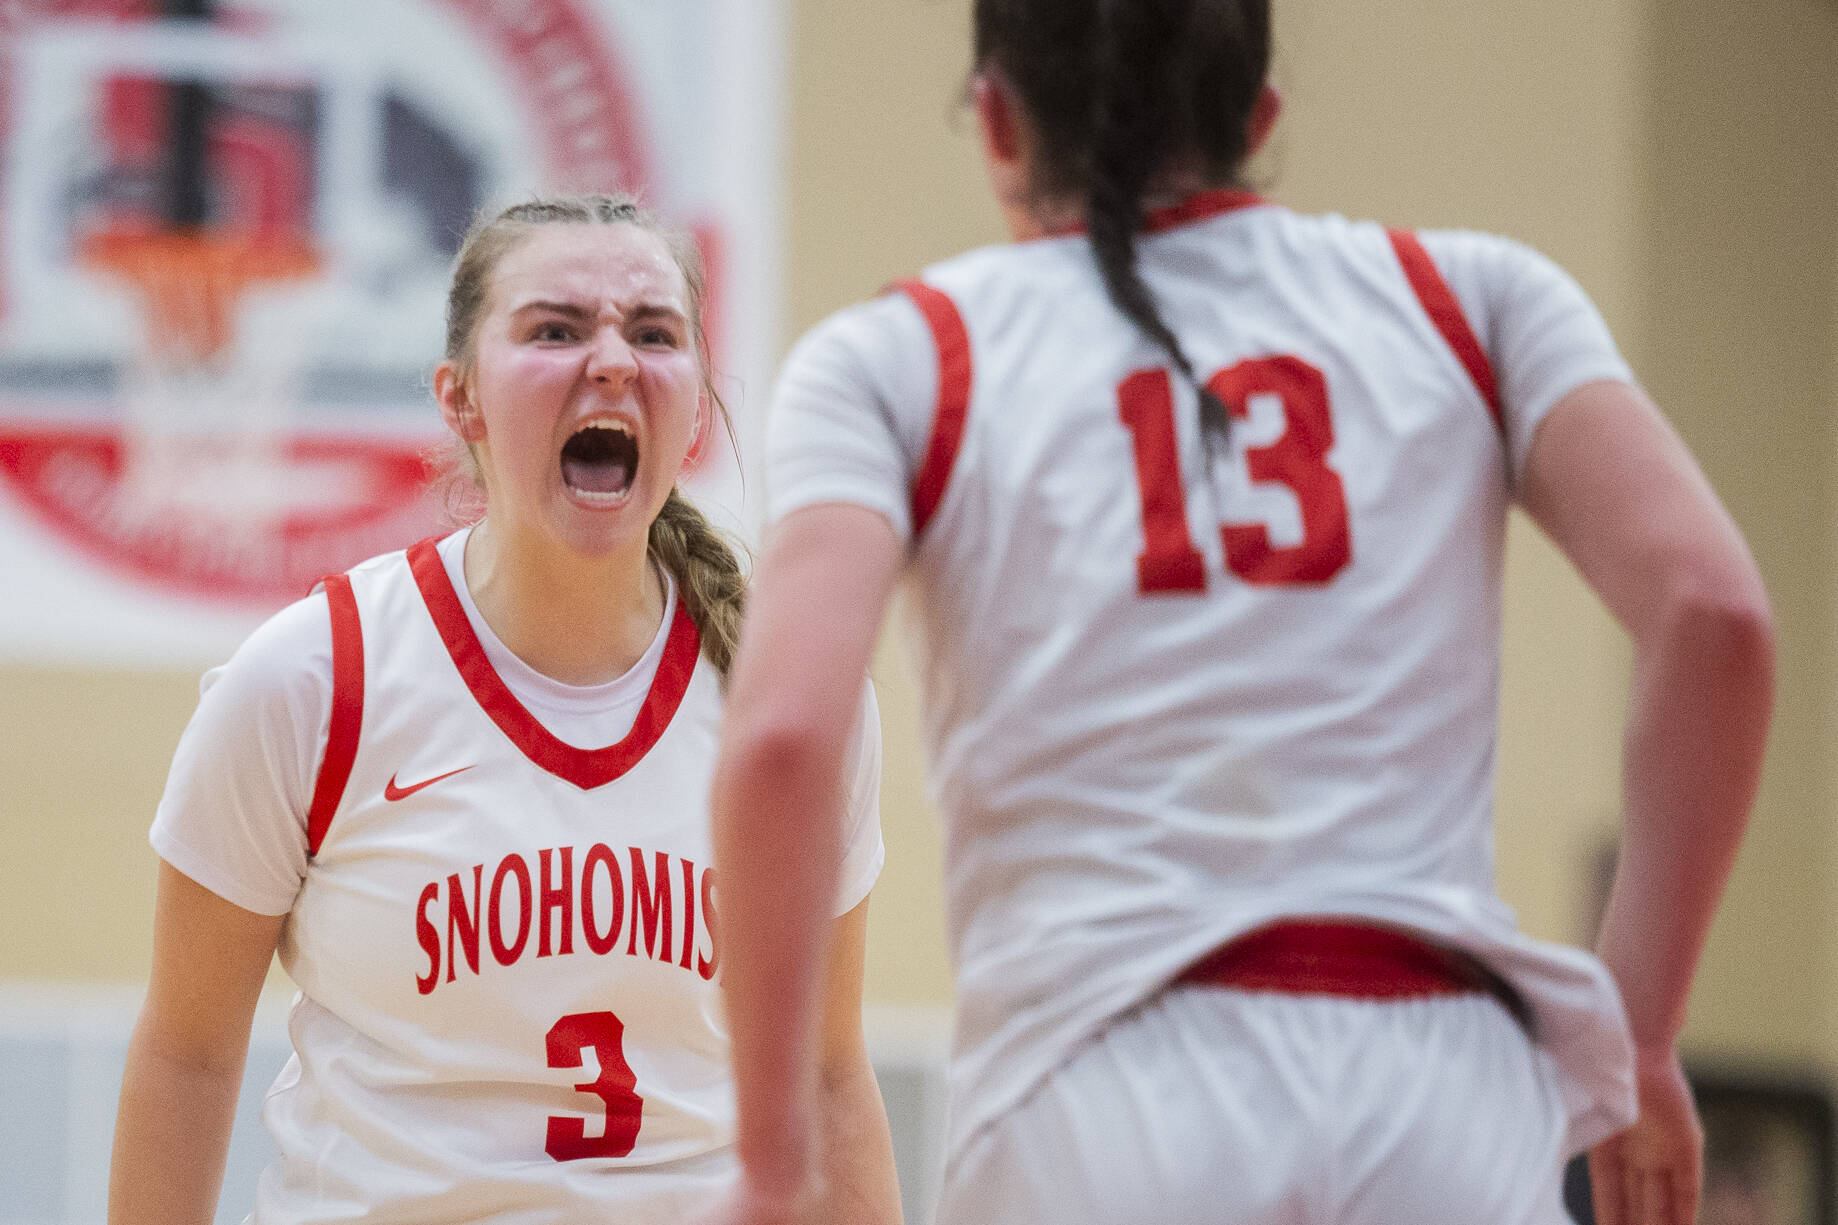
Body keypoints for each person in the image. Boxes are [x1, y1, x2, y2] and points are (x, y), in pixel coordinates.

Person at [704, 4, 1775, 1224]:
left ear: (996, 124)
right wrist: (1636, 1035)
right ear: (1258, 116)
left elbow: (785, 738)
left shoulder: (900, 354)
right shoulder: (1471, 296)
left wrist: (769, 1154)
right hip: (1439, 1102)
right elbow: (1714, 615)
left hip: (1098, 1098)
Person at [107, 195, 902, 1224]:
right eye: (555, 329)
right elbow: (187, 1050)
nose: (610, 360)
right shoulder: (310, 682)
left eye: (652, 333)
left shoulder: (788, 705)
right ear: (461, 397)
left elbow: (829, 1076)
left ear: (696, 407)